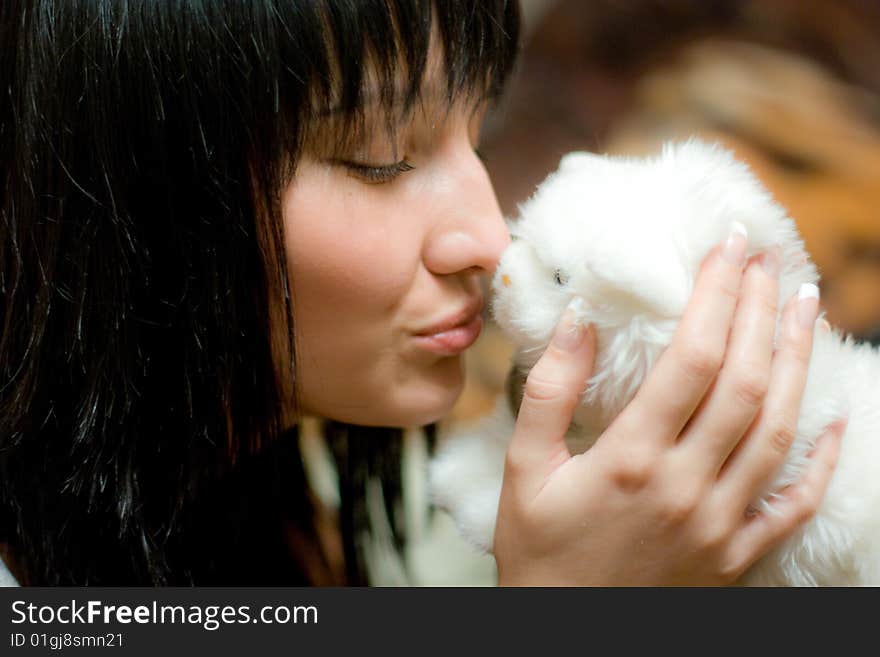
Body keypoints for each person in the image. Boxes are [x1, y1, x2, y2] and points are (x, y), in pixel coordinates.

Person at [0, 0, 845, 586]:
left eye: (476, 133)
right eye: (379, 157)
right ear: (131, 202)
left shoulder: (256, 515)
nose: (487, 235)